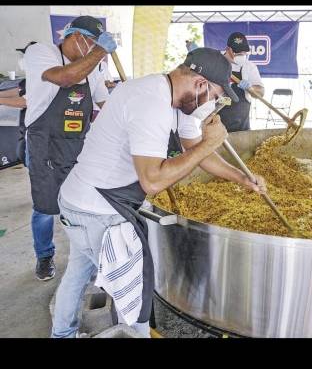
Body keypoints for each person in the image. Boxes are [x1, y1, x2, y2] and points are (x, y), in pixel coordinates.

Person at [52, 47, 267, 338]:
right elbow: (152, 181)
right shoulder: (150, 103)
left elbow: (194, 150)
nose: (214, 104)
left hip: (84, 199)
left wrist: (241, 177)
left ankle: (62, 334)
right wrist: (210, 143)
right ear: (200, 85)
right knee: (136, 291)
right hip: (96, 211)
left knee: (77, 275)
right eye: (216, 97)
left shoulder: (175, 97)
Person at [23, 15, 116, 281]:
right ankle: (44, 256)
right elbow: (66, 78)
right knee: (45, 206)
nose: (95, 52)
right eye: (91, 44)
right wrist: (99, 52)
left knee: (81, 204)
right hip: (45, 143)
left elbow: (103, 105)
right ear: (75, 37)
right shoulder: (42, 52)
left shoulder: (94, 68)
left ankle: (86, 258)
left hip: (77, 146)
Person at [219, 32, 264, 132]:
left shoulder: (249, 67)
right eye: (238, 52)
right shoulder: (216, 62)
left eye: (244, 52)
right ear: (228, 49)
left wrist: (251, 88)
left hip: (242, 129)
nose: (242, 55)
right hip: (216, 127)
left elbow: (261, 93)